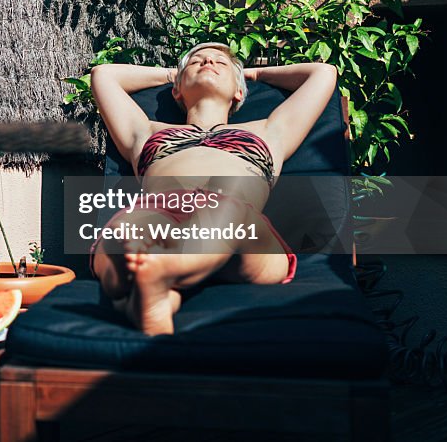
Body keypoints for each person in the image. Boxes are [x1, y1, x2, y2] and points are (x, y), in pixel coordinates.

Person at [90, 42, 337, 336]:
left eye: (221, 62)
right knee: (125, 233)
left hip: (237, 228)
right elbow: (103, 75)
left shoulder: (271, 130)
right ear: (177, 91)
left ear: (239, 92)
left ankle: (155, 273)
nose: (208, 60)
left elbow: (322, 73)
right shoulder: (145, 132)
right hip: (160, 211)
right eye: (196, 61)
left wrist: (249, 74)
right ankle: (154, 289)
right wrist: (175, 74)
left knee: (222, 210)